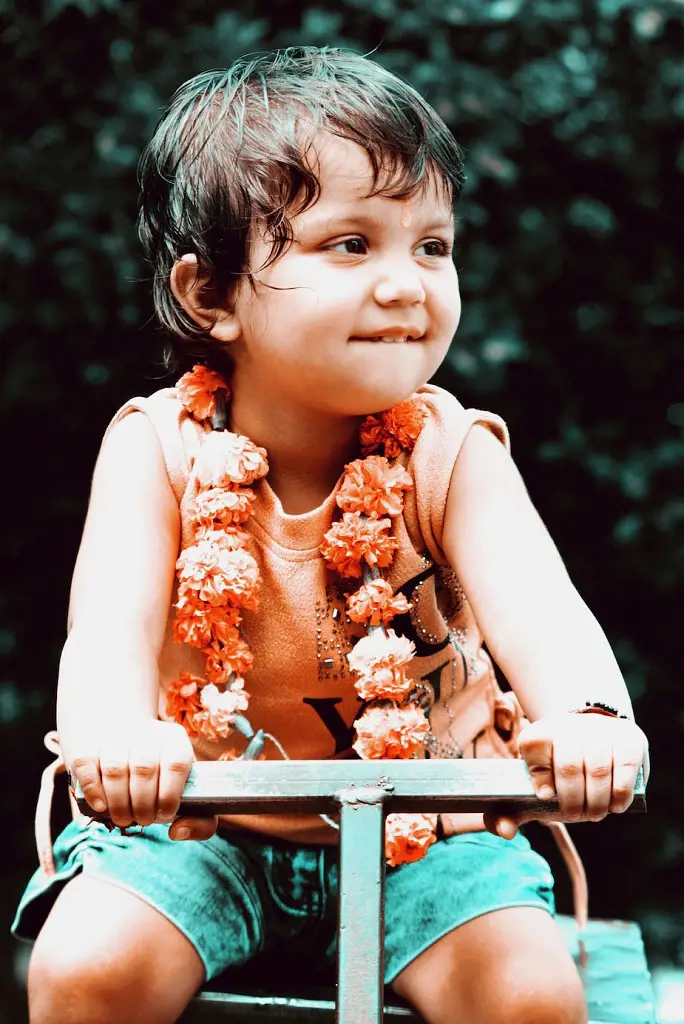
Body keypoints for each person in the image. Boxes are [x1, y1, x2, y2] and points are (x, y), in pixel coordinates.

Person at [13, 46, 649, 1024]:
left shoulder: (451, 451)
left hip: (430, 831)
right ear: (210, 295)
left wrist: (591, 721)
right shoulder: (160, 449)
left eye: (431, 246)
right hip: (199, 827)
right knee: (85, 970)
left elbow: (546, 616)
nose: (407, 284)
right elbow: (105, 634)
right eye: (352, 245)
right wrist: (116, 737)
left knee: (527, 992)